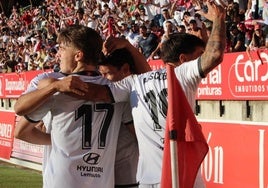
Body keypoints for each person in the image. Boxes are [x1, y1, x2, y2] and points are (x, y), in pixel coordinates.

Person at [75, 1, 226, 187]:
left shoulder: (135, 82)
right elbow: (215, 54)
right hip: (182, 178)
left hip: (148, 180)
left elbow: (97, 93)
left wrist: (59, 86)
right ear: (183, 59)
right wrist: (219, 18)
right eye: (199, 54)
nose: (201, 58)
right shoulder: (183, 73)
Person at [14, 24, 133, 188]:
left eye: (62, 49)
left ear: (78, 55)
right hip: (102, 182)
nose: (58, 55)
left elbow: (20, 126)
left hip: (62, 181)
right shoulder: (118, 90)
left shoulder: (56, 86)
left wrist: (52, 87)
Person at [98, 48, 139, 188]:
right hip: (106, 172)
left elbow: (138, 135)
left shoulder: (129, 97)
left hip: (128, 173)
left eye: (108, 73)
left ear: (126, 69)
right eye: (101, 74)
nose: (103, 79)